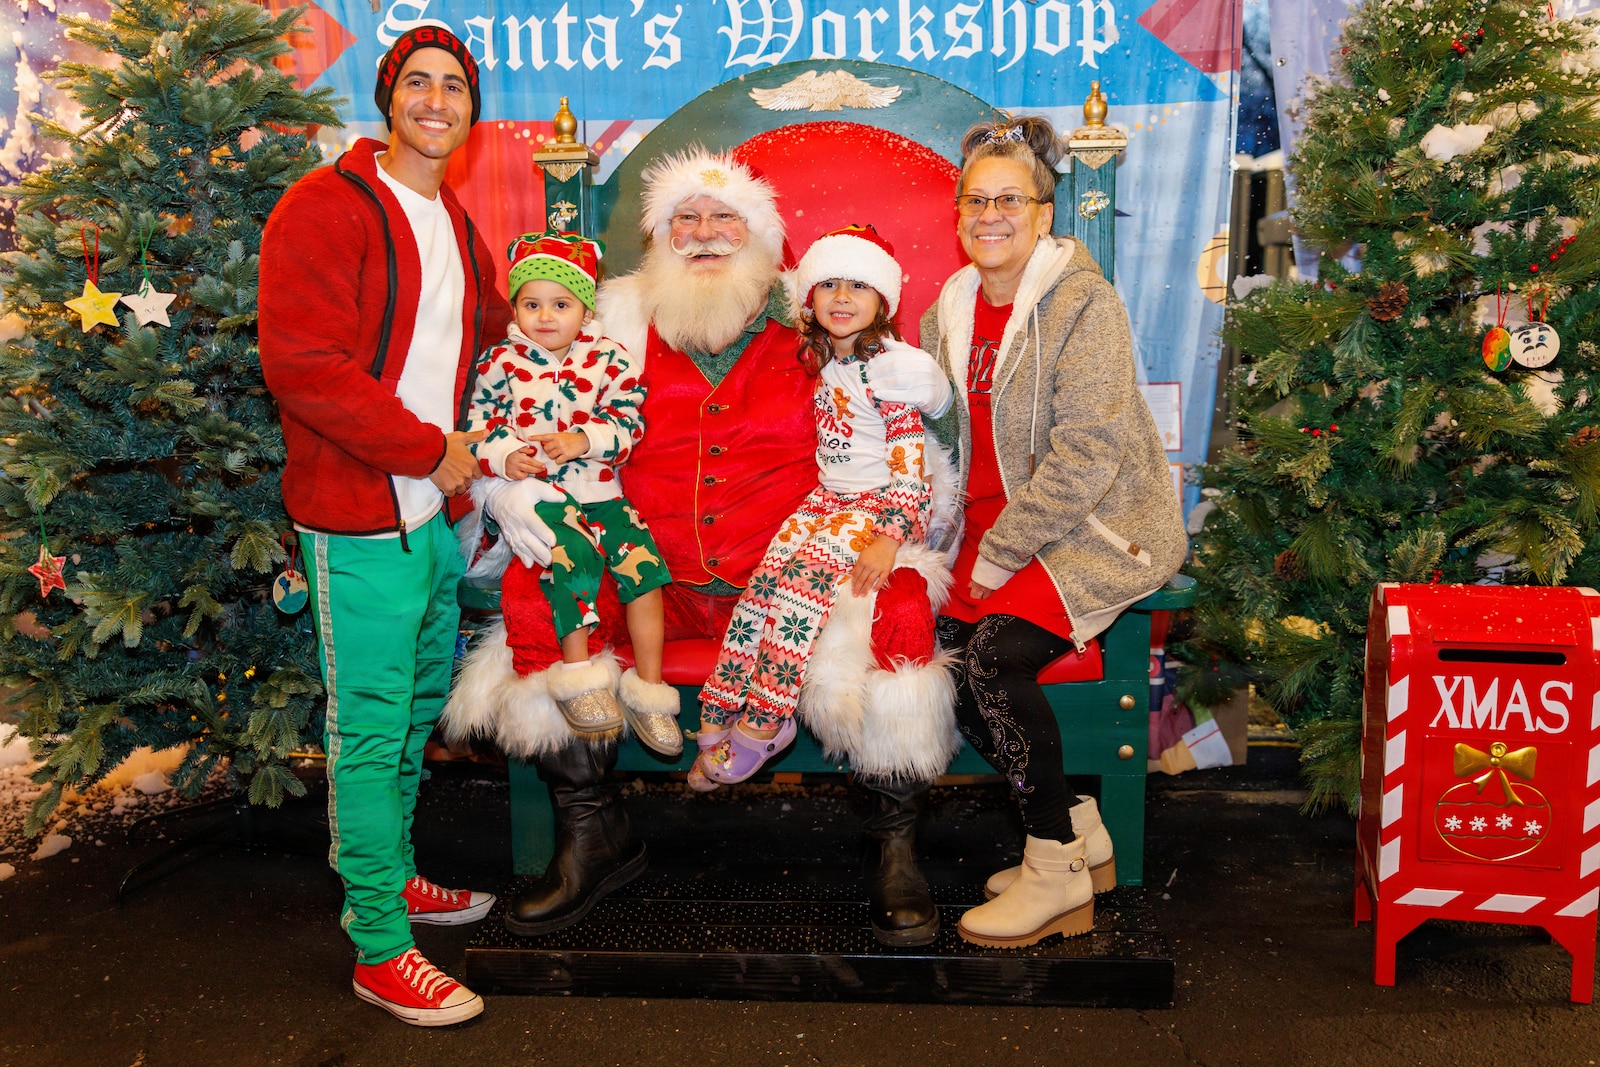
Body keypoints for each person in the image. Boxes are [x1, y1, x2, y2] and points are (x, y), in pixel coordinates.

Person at [443, 150, 959, 947]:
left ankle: (892, 842)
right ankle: (593, 833)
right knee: (533, 593)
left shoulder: (821, 322)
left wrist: (891, 533)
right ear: (658, 235)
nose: (707, 235)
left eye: (727, 219)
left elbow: (901, 448)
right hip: (652, 568)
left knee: (897, 610)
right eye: (686, 219)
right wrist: (508, 488)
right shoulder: (606, 321)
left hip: (798, 571)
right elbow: (516, 419)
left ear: (763, 236)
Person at [259, 25, 507, 1027]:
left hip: (430, 520)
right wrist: (428, 448)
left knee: (410, 721)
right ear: (388, 96)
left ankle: (390, 874)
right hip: (359, 516)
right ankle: (378, 947)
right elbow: (304, 365)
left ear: (470, 110)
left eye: (455, 86)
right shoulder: (324, 207)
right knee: (367, 734)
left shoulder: (450, 216)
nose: (437, 101)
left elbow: (493, 327)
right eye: (419, 83)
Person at [920, 116, 1187, 948]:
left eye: (1011, 199)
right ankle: (1077, 826)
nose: (990, 215)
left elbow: (1087, 456)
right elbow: (938, 444)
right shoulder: (950, 309)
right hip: (990, 525)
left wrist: (1000, 554)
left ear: (1044, 213)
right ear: (958, 213)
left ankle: (1054, 875)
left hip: (1096, 523)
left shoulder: (1083, 302)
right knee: (936, 657)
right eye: (975, 200)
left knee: (993, 655)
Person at [691, 225, 935, 790]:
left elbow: (911, 465)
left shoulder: (891, 370)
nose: (843, 298)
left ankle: (765, 724)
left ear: (882, 301)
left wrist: (888, 536)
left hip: (879, 506)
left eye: (858, 285)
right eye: (829, 284)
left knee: (800, 593)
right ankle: (722, 707)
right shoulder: (820, 357)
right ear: (810, 298)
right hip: (827, 501)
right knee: (763, 587)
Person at [464, 231, 678, 753]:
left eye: (561, 304)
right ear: (515, 309)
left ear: (585, 309)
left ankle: (650, 690)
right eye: (531, 304)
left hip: (604, 495)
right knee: (571, 562)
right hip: (542, 502)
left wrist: (583, 438)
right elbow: (479, 427)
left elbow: (629, 424)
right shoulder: (500, 364)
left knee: (644, 573)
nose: (545, 316)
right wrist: (503, 457)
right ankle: (581, 679)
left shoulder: (611, 359)